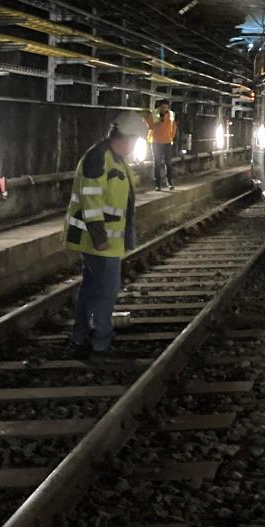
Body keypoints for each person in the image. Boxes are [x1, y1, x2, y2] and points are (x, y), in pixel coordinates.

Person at [63, 111, 147, 362]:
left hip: (105, 239)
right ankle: (101, 342)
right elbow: (91, 200)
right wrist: (100, 237)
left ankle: (80, 337)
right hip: (97, 240)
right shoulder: (98, 159)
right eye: (135, 141)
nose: (135, 147)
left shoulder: (114, 158)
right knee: (106, 291)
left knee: (91, 288)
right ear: (125, 137)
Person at [144, 99, 178, 190]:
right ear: (159, 107)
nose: (164, 109)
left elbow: (174, 126)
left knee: (168, 163)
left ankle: (169, 182)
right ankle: (158, 184)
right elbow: (148, 124)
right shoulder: (154, 114)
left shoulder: (171, 114)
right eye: (163, 107)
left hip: (167, 142)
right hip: (156, 142)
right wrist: (156, 124)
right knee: (157, 163)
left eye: (166, 107)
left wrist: (171, 137)